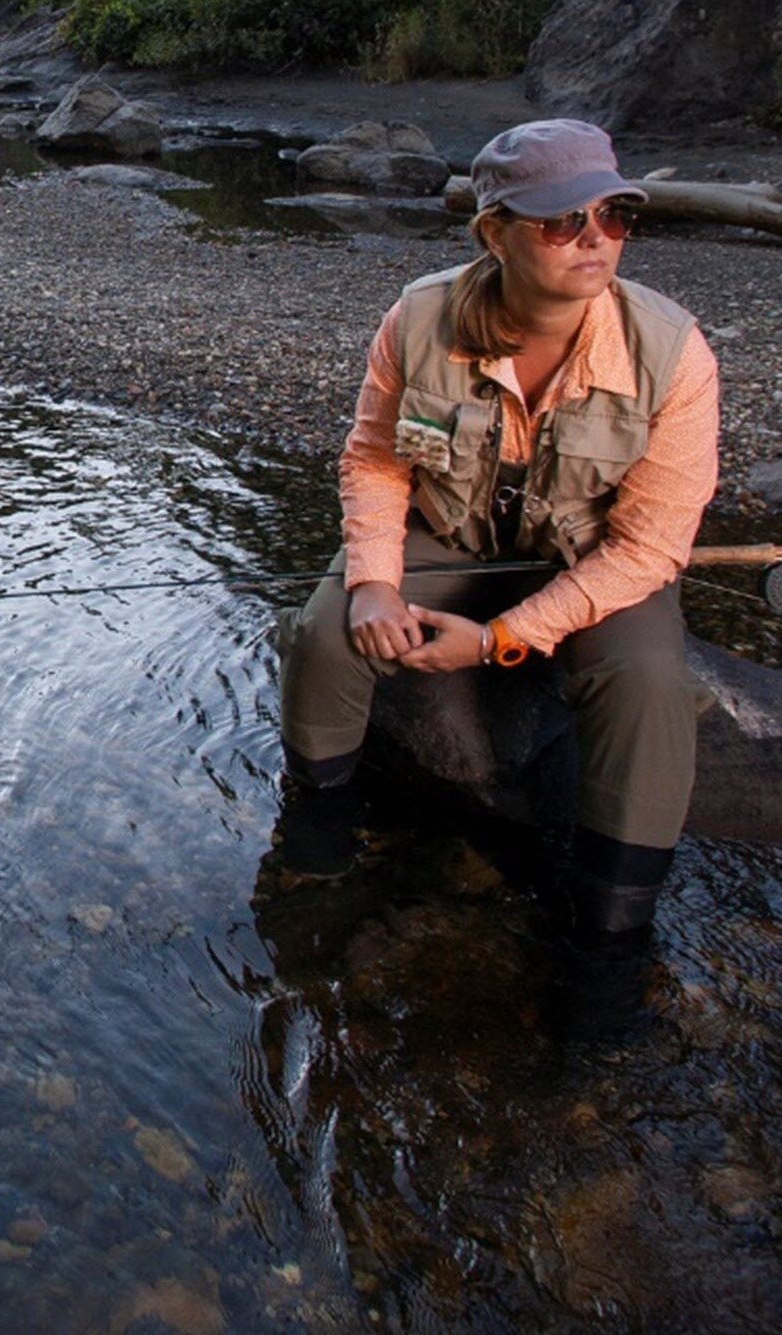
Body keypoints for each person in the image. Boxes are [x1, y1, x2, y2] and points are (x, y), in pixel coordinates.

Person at [271, 118, 721, 954]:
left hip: (598, 562)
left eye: (615, 216)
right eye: (563, 222)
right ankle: (317, 823)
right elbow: (374, 460)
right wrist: (372, 580)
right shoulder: (418, 321)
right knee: (329, 635)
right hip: (446, 534)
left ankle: (615, 926)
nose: (595, 240)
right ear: (495, 234)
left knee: (652, 686)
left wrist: (499, 640)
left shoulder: (675, 355)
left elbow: (653, 546)